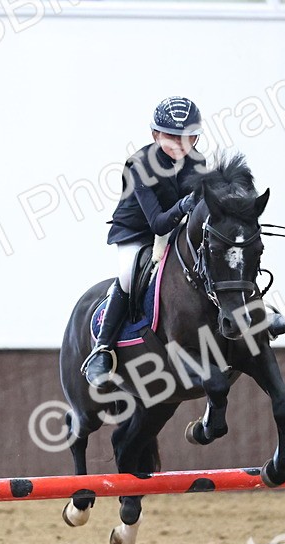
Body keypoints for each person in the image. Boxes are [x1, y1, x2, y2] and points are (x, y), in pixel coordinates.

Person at [82, 96, 207, 387]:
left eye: (187, 137)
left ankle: (253, 314)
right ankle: (102, 348)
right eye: (171, 137)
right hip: (137, 231)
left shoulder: (198, 162)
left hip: (175, 227)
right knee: (128, 276)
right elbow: (157, 223)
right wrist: (185, 205)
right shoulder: (140, 164)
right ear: (155, 135)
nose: (180, 144)